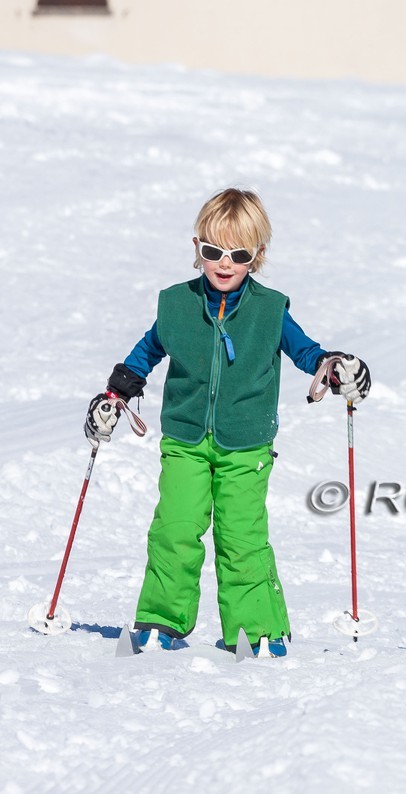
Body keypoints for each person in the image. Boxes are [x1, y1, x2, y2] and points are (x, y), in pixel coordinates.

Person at [84, 188, 372, 655]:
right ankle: (162, 621)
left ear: (257, 255)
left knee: (241, 537)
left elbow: (307, 352)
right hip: (185, 440)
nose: (224, 263)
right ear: (197, 247)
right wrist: (115, 396)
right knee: (174, 528)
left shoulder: (269, 309)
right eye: (213, 250)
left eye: (238, 254)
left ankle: (256, 628)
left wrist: (334, 367)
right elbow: (146, 352)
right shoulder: (177, 304)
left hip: (246, 446)